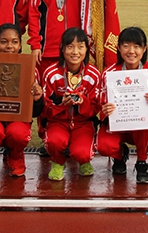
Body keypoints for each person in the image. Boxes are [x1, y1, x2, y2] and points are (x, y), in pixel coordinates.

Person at [0, 23, 43, 181]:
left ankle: (16, 156)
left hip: (17, 118)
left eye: (14, 41)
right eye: (4, 42)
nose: (9, 46)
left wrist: (37, 98)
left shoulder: (31, 69)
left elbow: (35, 112)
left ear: (20, 44)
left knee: (18, 133)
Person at [97, 27, 148, 184]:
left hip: (140, 128)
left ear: (144, 49)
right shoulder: (108, 74)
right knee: (103, 147)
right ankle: (119, 155)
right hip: (116, 125)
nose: (131, 51)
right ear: (119, 47)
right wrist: (105, 109)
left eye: (137, 46)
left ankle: (142, 162)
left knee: (146, 116)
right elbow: (100, 106)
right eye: (126, 45)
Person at [41, 28, 101, 181]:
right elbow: (44, 108)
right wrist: (61, 104)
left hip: (83, 124)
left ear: (87, 49)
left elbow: (96, 108)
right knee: (54, 141)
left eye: (80, 46)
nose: (75, 52)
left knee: (82, 153)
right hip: (58, 122)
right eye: (70, 46)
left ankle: (84, 160)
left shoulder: (93, 74)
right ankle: (57, 162)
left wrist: (83, 102)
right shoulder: (51, 73)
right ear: (62, 48)